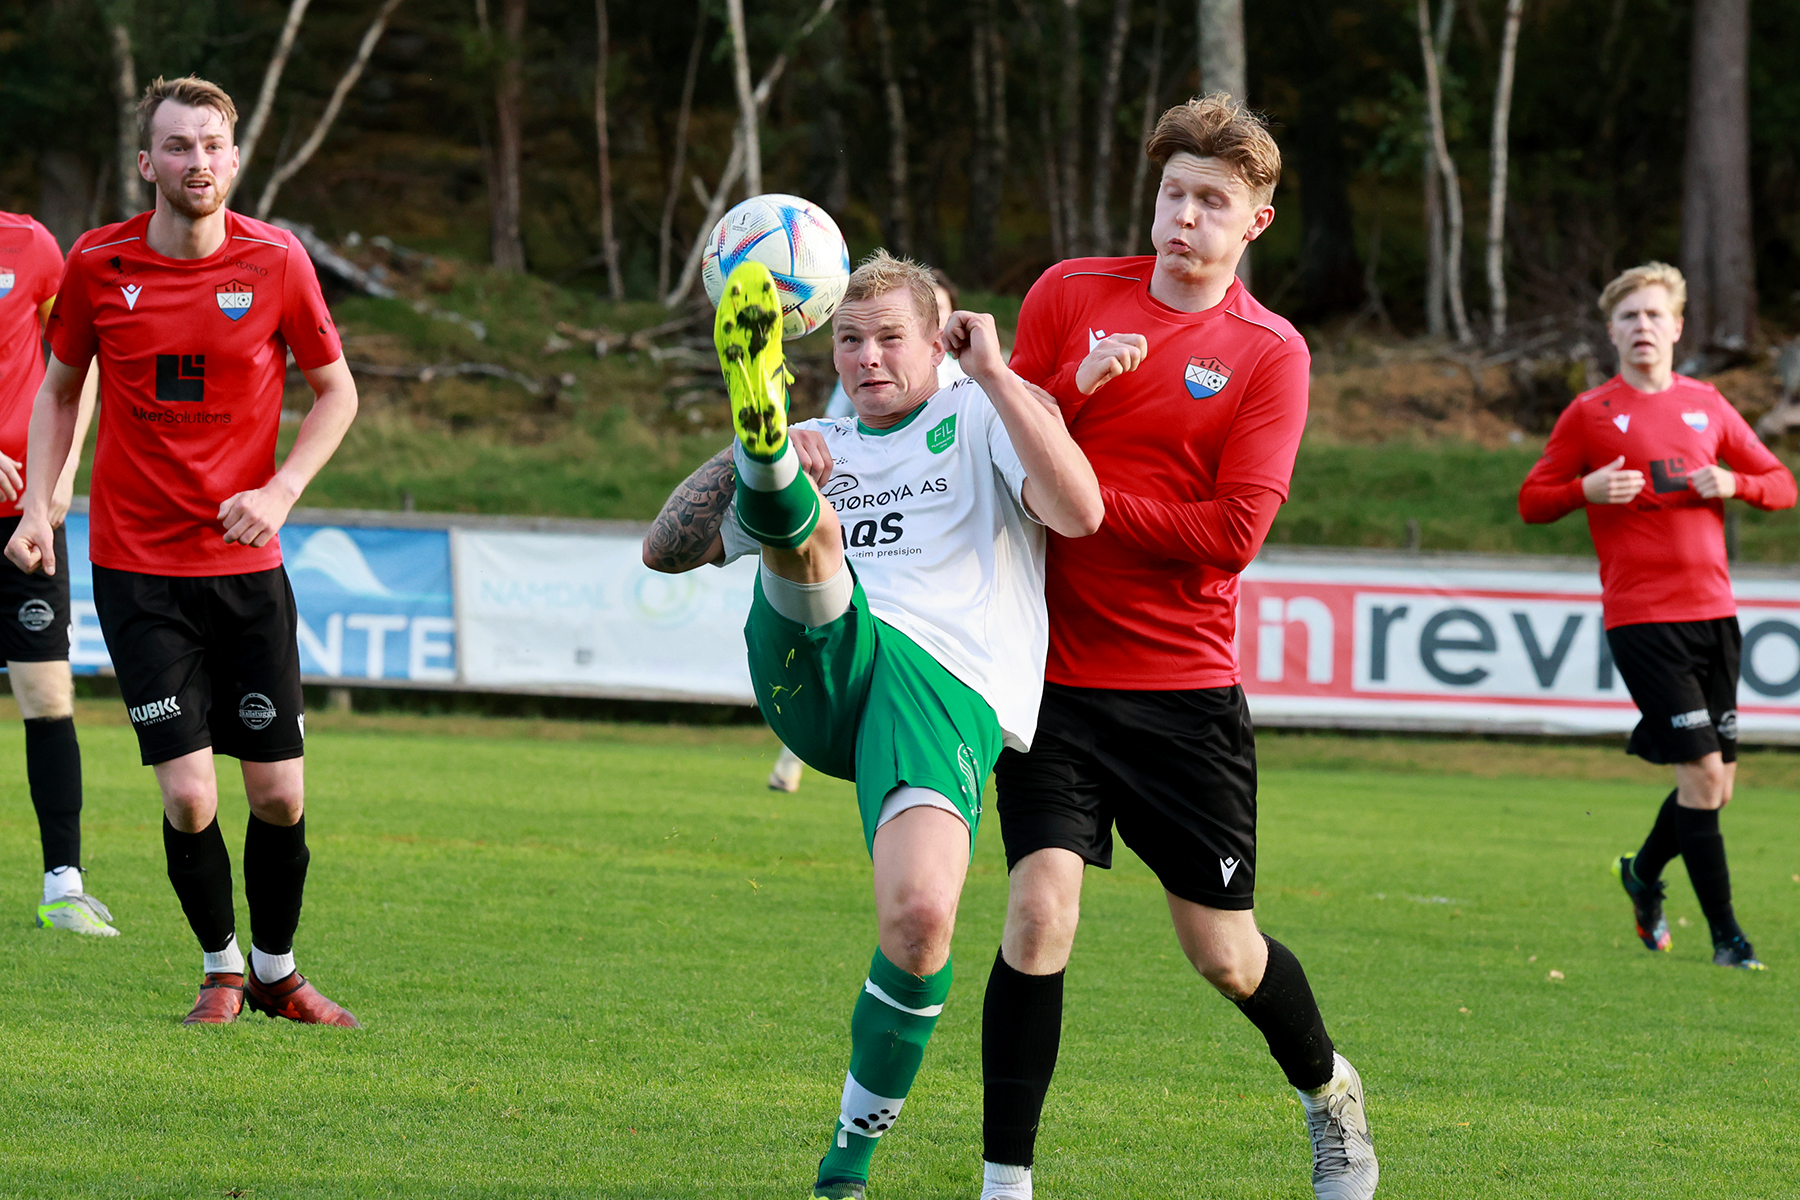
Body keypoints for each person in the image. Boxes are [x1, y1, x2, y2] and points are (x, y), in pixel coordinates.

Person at [979, 95, 1377, 1200]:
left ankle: (1330, 1092)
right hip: (1050, 679)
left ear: (1256, 221)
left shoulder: (1269, 354)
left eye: (1212, 200)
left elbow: (1233, 534)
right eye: (1173, 194)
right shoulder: (1067, 294)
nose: (1184, 217)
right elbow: (1005, 440)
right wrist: (1065, 400)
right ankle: (1003, 1184)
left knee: (1225, 956)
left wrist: (1093, 503)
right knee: (1037, 910)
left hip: (1182, 694)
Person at [643, 250, 1102, 1199]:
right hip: (817, 659)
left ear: (944, 338)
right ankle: (756, 433)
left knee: (922, 922)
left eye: (891, 337)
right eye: (847, 339)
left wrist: (998, 375)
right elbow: (664, 551)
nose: (866, 358)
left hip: (940, 686)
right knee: (805, 529)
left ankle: (844, 1169)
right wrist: (748, 456)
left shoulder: (983, 410)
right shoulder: (824, 437)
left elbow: (1079, 510)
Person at [6, 75, 362, 1026]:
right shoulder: (94, 263)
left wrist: (280, 491)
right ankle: (221, 968)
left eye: (211, 145)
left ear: (234, 159)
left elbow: (338, 393)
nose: (195, 162)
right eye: (176, 146)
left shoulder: (280, 262)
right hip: (139, 572)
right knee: (192, 795)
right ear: (146, 163)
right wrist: (41, 504)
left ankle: (280, 971)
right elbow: (57, 390)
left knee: (280, 796)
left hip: (247, 572)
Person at [1519, 262, 1795, 971]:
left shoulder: (1709, 404)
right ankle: (1730, 941)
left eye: (1654, 315)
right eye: (1630, 317)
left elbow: (1781, 484)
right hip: (1643, 620)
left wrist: (1736, 482)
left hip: (1716, 616)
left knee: (1716, 786)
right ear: (1612, 332)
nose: (1643, 327)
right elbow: (1533, 499)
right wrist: (1585, 487)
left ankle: (1642, 874)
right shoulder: (1590, 413)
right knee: (1703, 773)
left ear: (1677, 327)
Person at [1, 210, 104, 934]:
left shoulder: (31, 243)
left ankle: (63, 885)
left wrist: (61, 475)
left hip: (23, 517)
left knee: (46, 692)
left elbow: (80, 359)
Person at [824, 266, 966, 419]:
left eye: (891, 337)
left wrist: (991, 372)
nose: (868, 359)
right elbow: (831, 418)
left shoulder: (966, 380)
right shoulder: (856, 371)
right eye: (851, 339)